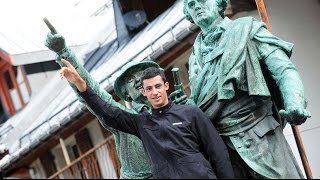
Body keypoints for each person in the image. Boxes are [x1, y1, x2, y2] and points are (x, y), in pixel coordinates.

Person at [177, 0, 311, 178]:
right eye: (191, 5)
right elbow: (202, 100)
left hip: (261, 137)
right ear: (189, 14)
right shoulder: (194, 57)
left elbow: (283, 70)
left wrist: (295, 101)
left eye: (202, 0)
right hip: (222, 151)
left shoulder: (246, 30)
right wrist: (187, 106)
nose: (197, 6)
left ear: (219, 4)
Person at [60, 59, 235, 179]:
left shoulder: (191, 113)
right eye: (149, 88)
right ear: (144, 92)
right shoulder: (142, 123)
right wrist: (80, 84)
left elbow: (218, 152)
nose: (155, 92)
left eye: (158, 86)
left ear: (166, 86)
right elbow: (107, 111)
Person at [44, 32, 155, 179]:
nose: (137, 81)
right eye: (130, 79)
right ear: (126, 94)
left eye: (141, 75)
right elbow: (93, 93)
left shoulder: (175, 110)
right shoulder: (123, 118)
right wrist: (63, 52)